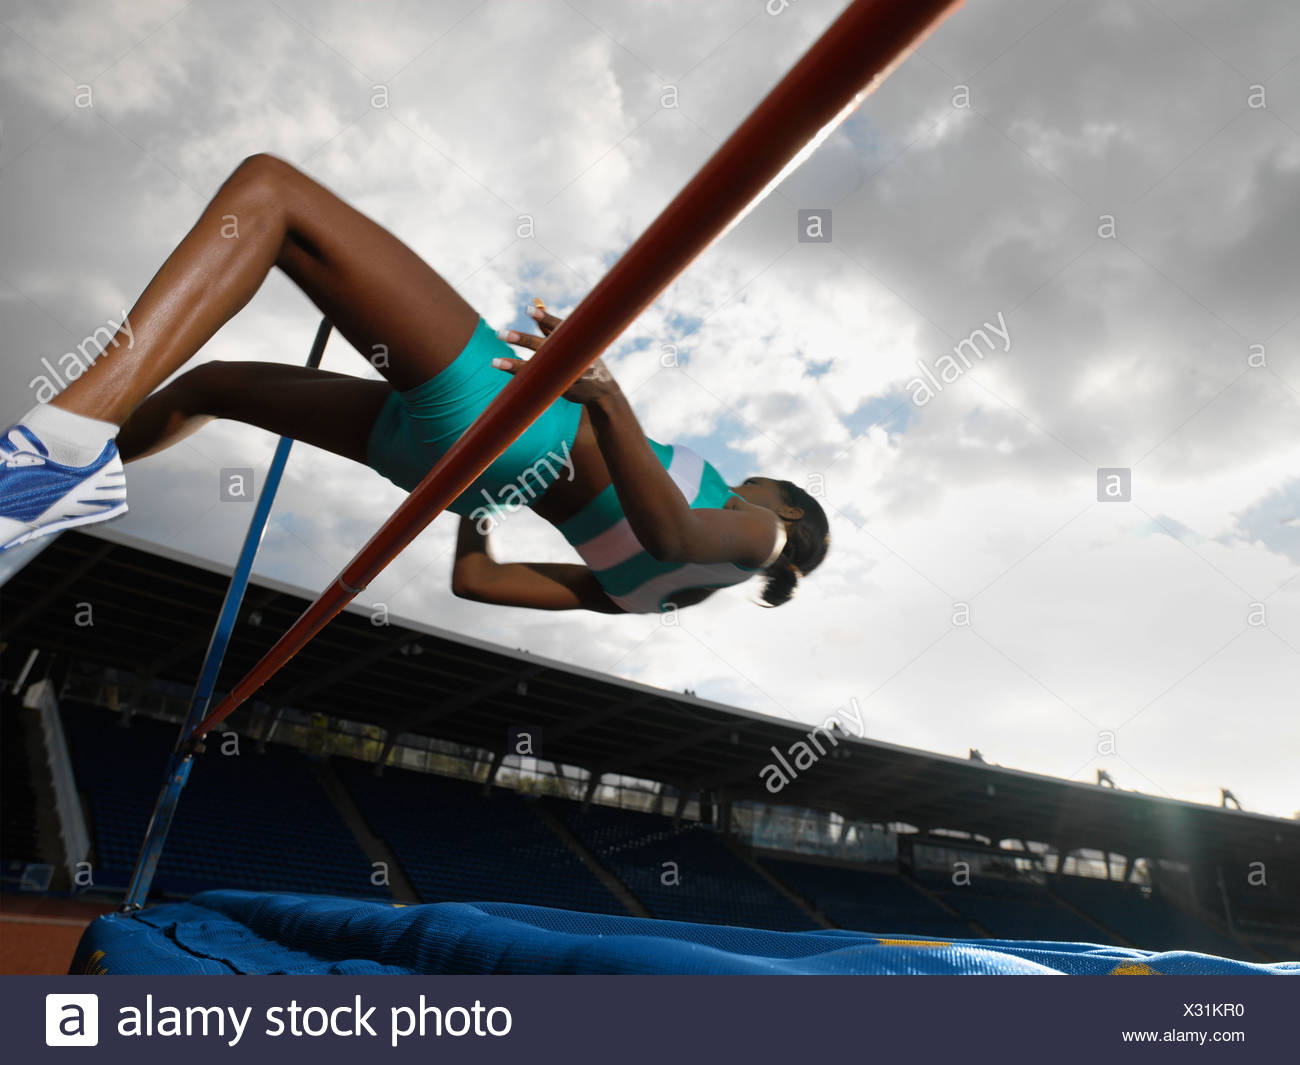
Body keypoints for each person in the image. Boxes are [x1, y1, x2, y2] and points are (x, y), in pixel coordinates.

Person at [0, 154, 828, 612]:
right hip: (446, 463)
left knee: (273, 194)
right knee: (207, 386)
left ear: (785, 504)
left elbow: (677, 534)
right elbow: (478, 582)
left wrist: (606, 398)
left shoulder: (763, 538)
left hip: (505, 417)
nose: (741, 479)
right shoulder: (648, 607)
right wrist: (481, 503)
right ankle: (44, 492)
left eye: (755, 481)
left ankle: (56, 456)